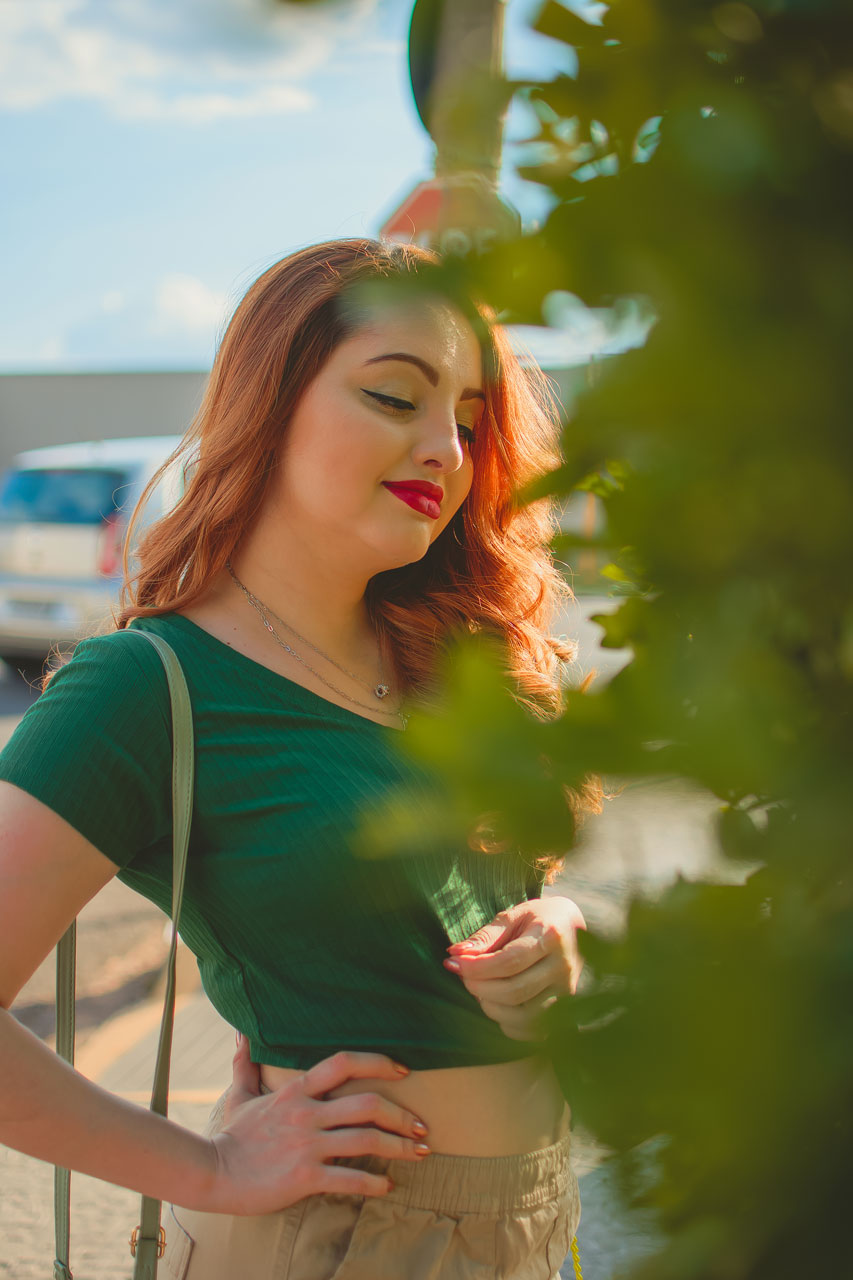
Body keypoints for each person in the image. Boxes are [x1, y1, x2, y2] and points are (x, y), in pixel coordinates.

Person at [0, 238, 592, 1280]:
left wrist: (556, 929)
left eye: (463, 418)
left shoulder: (452, 662)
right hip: (337, 1242)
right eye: (394, 397)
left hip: (532, 1222)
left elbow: (500, 892)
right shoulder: (149, 685)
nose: (447, 451)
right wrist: (214, 1166)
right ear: (271, 406)